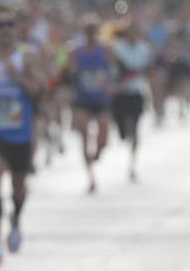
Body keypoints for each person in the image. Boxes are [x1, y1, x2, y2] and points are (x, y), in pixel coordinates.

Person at [0, 10, 46, 267]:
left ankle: (15, 220)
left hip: (20, 133)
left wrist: (17, 77)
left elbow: (41, 92)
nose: (5, 29)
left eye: (9, 24)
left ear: (16, 28)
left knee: (18, 186)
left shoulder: (26, 57)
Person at [65, 15, 113, 195]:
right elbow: (67, 74)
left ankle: (99, 150)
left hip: (100, 98)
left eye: (93, 30)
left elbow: (114, 70)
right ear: (83, 32)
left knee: (104, 131)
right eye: (88, 30)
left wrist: (111, 84)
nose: (91, 34)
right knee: (84, 135)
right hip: (82, 98)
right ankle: (90, 177)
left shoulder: (106, 50)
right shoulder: (75, 51)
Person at [110, 18, 154, 183]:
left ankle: (132, 164)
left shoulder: (144, 49)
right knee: (122, 132)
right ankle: (124, 133)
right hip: (120, 94)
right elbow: (113, 67)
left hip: (136, 93)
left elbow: (148, 70)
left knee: (135, 129)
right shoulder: (118, 48)